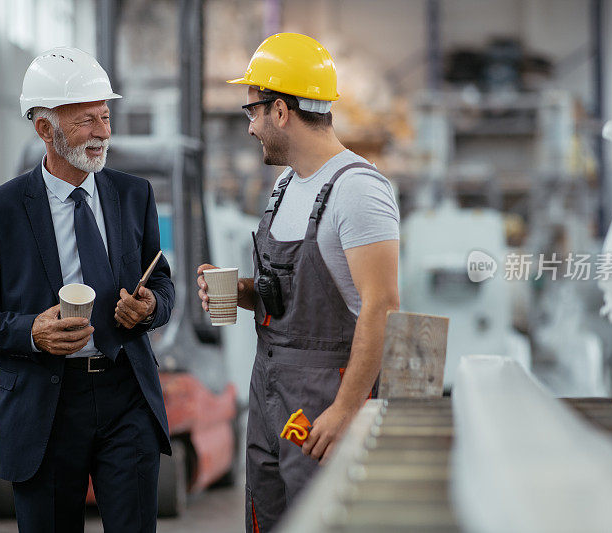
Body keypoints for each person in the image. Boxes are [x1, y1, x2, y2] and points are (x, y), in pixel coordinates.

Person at [0, 47, 174, 533]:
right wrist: (31, 330)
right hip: (43, 406)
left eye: (105, 117)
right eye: (85, 121)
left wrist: (152, 306)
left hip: (125, 393)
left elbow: (160, 279)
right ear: (44, 129)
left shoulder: (134, 195)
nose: (102, 133)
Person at [196, 33, 400, 532]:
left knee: (320, 520)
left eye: (252, 112)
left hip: (323, 395)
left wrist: (346, 410)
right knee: (267, 519)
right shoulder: (286, 186)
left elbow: (384, 307)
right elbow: (285, 293)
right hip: (270, 388)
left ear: (281, 111)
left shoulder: (357, 191)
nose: (250, 128)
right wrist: (239, 292)